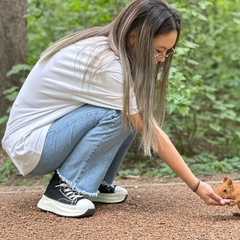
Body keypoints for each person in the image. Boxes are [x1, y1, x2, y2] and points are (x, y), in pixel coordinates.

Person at [2, 0, 230, 218]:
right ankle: (63, 188)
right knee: (123, 113)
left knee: (130, 110)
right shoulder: (107, 64)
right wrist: (196, 184)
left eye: (167, 52)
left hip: (47, 137)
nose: (161, 59)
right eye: (158, 50)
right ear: (134, 38)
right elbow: (151, 131)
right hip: (33, 145)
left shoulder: (110, 48)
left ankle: (95, 181)